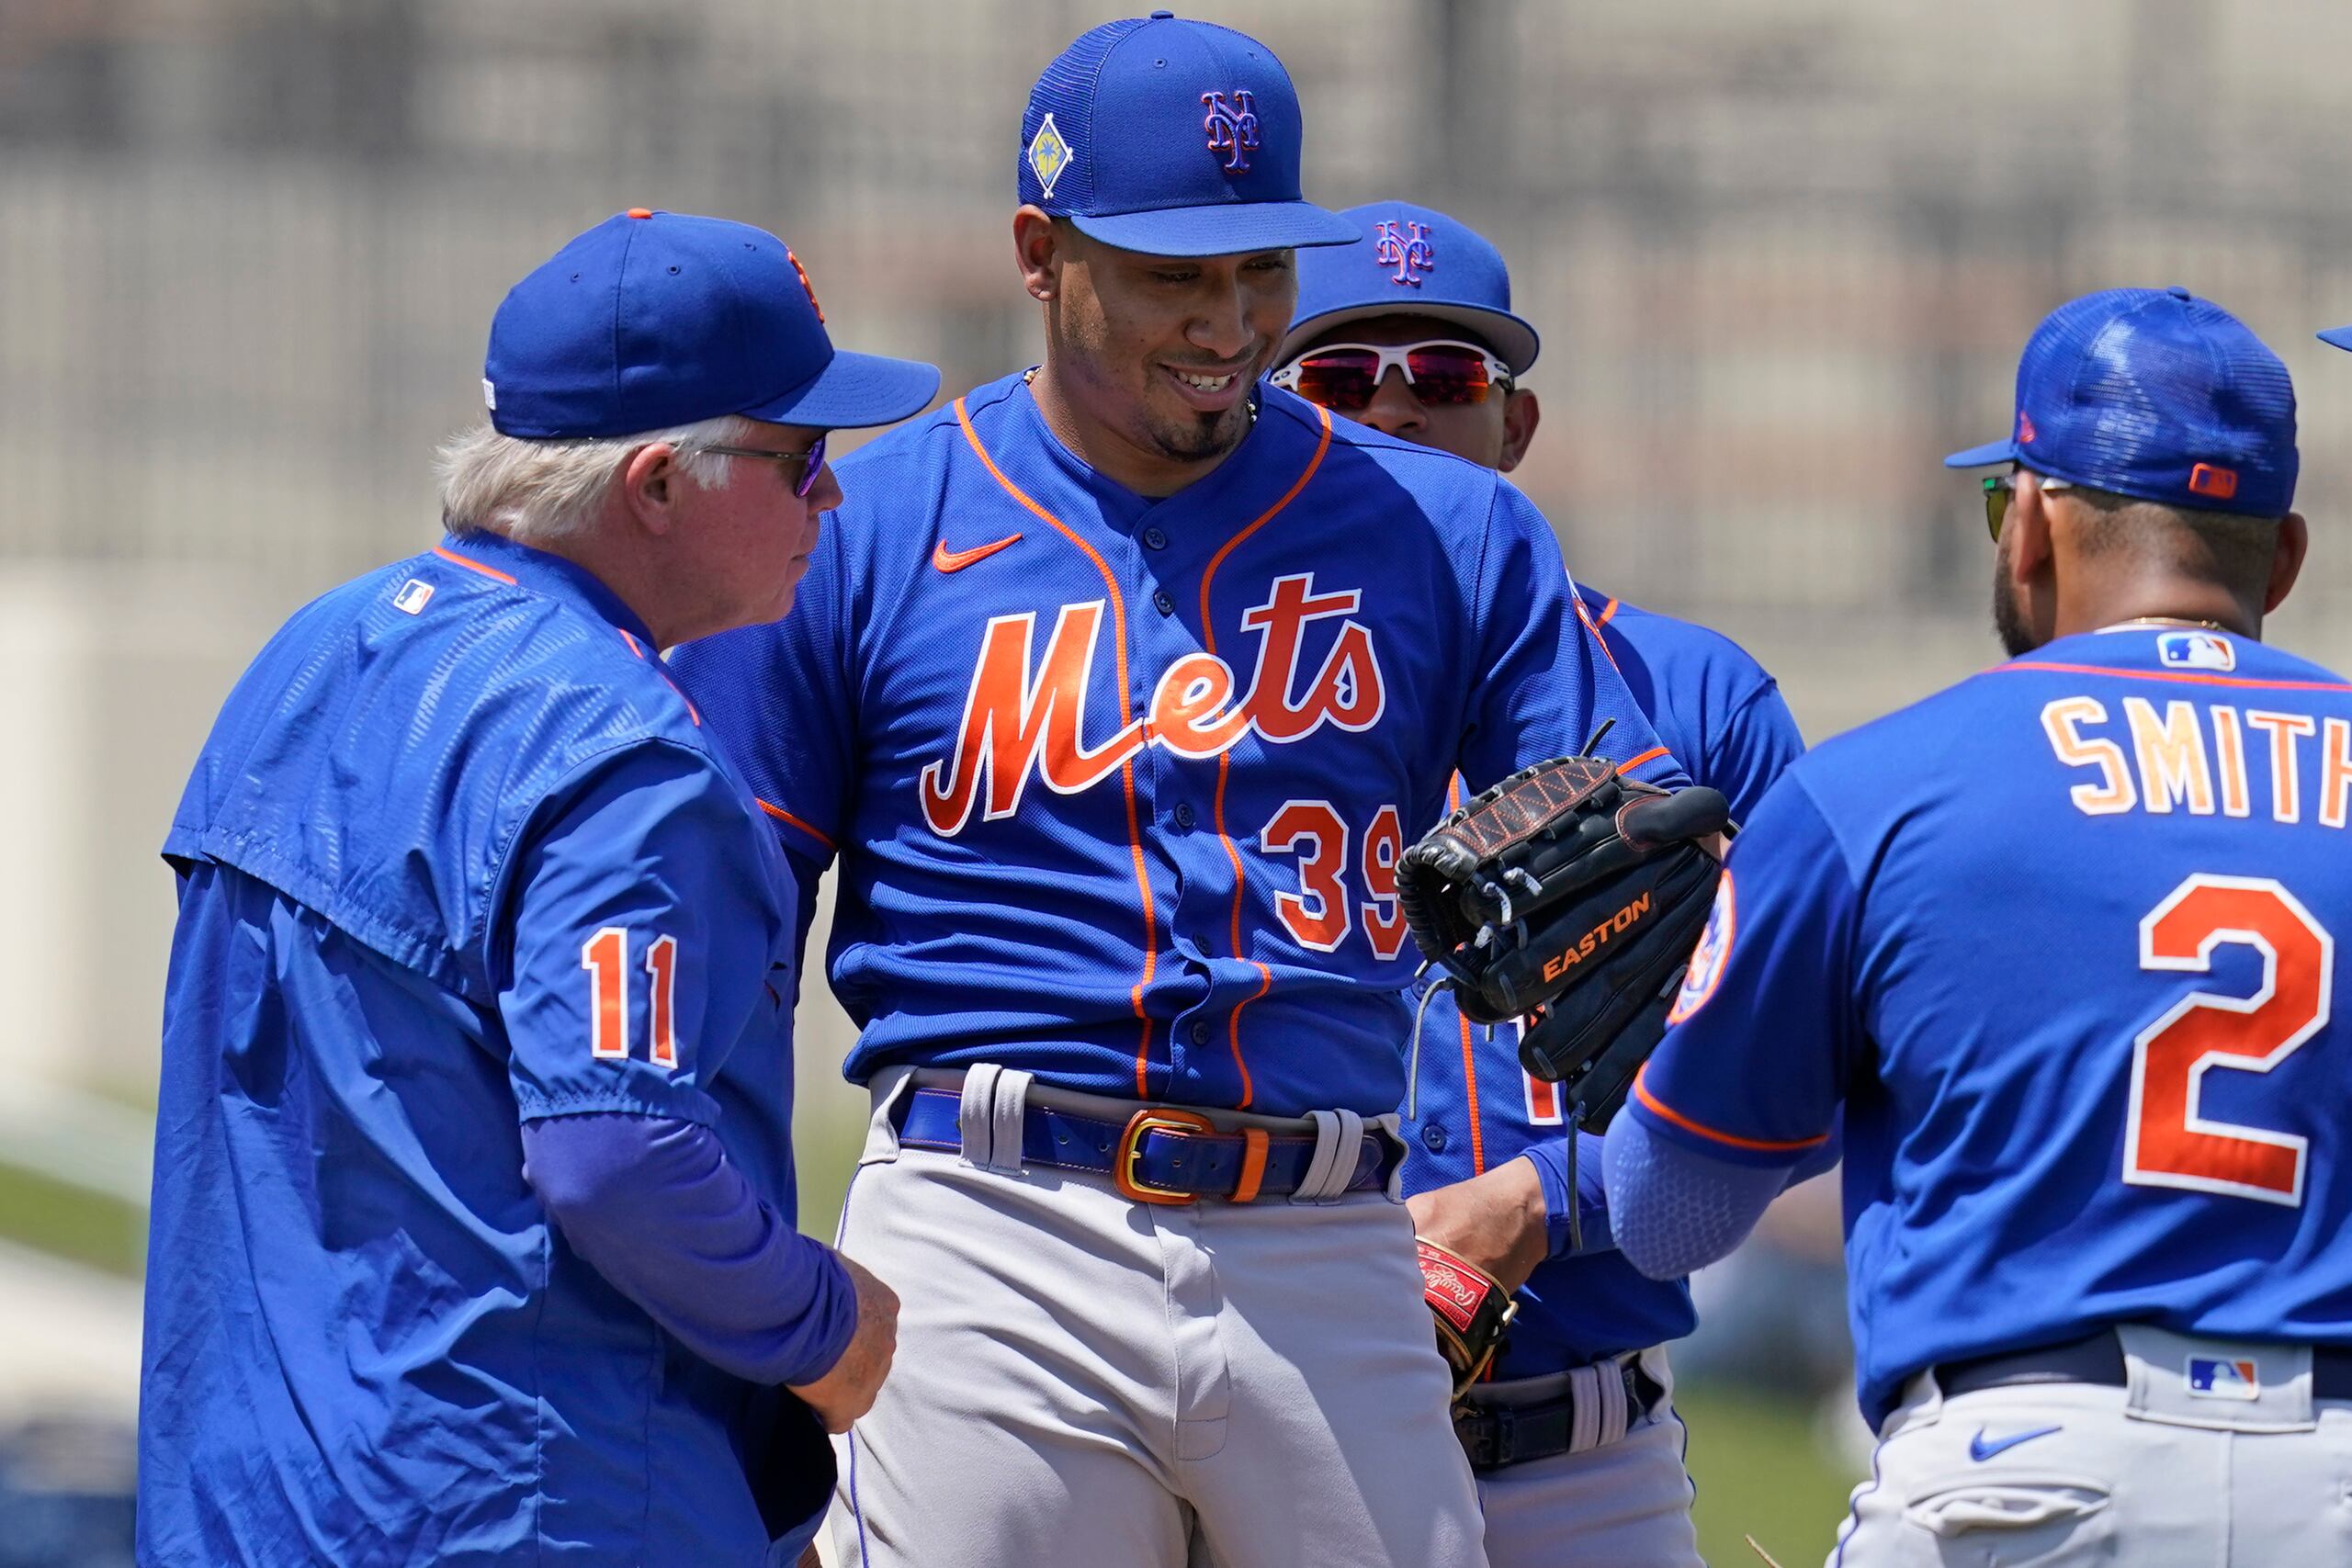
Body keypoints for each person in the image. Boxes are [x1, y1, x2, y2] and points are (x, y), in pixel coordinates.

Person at [670, 17, 1689, 1567]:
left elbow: (1644, 843)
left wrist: (1633, 904)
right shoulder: (871, 524)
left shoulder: (1443, 530)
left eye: (1258, 272)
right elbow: (724, 934)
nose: (1227, 323)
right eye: (1172, 275)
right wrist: (752, 1285)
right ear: (1039, 252)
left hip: (1329, 1230)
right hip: (991, 1220)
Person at [137, 209, 938, 1567]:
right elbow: (617, 1151)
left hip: (249, 1499)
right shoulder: (622, 751)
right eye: (800, 460)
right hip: (523, 1499)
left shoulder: (309, 655)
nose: (834, 499)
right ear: (658, 484)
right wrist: (825, 1327)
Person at [1605, 286, 2352, 1566]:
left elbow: (1667, 1219)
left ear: (2034, 529)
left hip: (2025, 1478)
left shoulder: (1878, 789)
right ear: (2281, 558)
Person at [1271, 198, 1805, 1567]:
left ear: (1515, 427)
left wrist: (1541, 1202)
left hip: (1580, 1452)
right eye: (1340, 379)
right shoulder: (1204, 697)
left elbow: (1792, 1054)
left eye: (1445, 379)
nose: (1395, 414)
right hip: (1266, 1420)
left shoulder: (1693, 698)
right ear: (1274, 414)